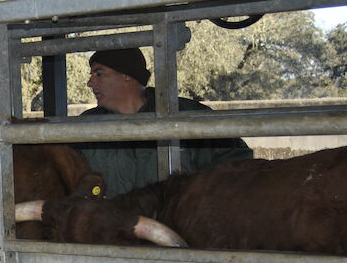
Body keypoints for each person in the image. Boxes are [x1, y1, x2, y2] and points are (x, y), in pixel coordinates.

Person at [77, 48, 252, 197]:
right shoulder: (86, 126)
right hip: (114, 231)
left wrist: (197, 203)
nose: (90, 83)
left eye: (99, 74)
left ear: (126, 76)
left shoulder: (187, 116)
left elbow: (238, 165)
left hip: (179, 231)